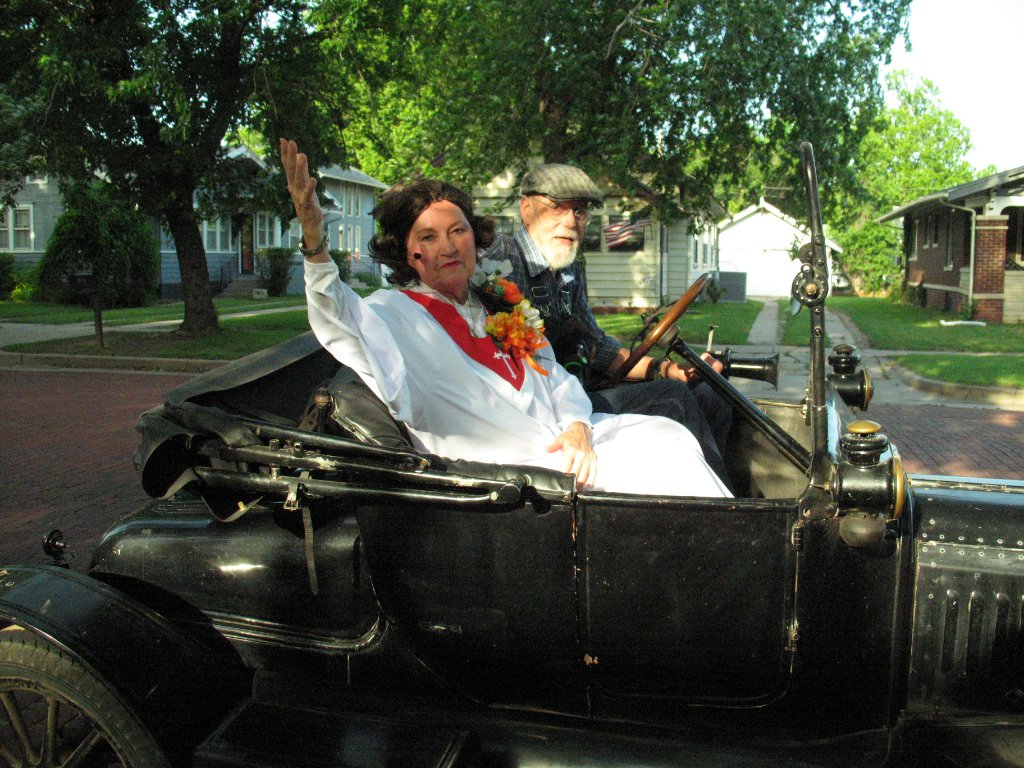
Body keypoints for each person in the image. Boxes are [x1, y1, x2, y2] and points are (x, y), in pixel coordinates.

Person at [280, 138, 730, 498]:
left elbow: (555, 374)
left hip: (563, 437)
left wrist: (577, 425)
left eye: (458, 231)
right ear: (409, 253)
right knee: (664, 453)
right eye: (429, 237)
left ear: (475, 240)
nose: (449, 247)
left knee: (668, 435)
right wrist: (314, 240)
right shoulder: (391, 315)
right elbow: (335, 315)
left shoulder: (495, 303)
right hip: (512, 470)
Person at [483, 163, 734, 488]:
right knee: (675, 399)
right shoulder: (506, 257)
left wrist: (667, 369)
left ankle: (722, 490)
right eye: (557, 207)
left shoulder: (569, 267)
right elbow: (497, 351)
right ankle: (722, 509)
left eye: (580, 211)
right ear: (527, 209)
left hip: (579, 392)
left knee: (710, 393)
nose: (570, 221)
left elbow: (598, 346)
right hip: (546, 408)